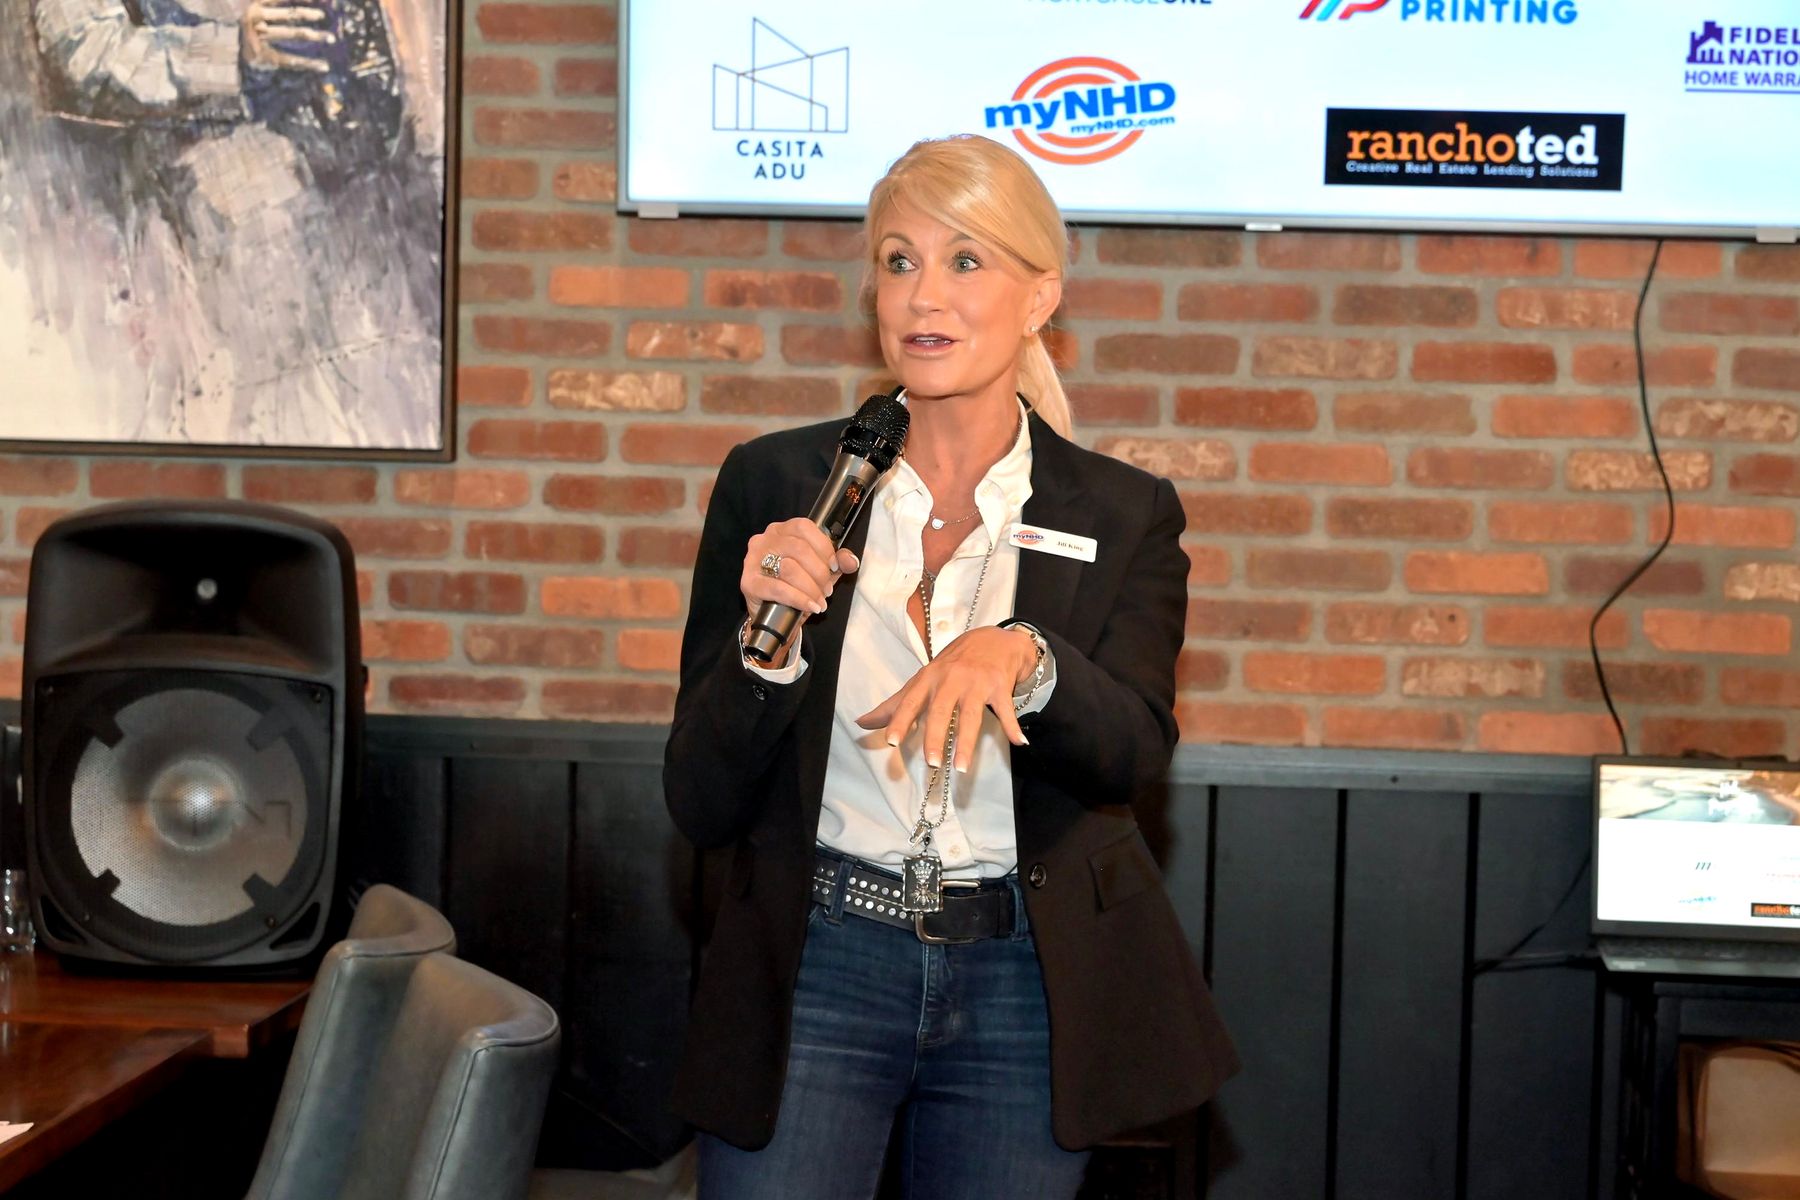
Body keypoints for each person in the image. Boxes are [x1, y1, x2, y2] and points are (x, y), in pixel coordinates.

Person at [664, 133, 1237, 1199]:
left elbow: (1131, 754)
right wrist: (767, 648)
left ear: (1039, 298)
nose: (924, 293)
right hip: (818, 961)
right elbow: (699, 799)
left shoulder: (1122, 512)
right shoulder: (779, 484)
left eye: (966, 260)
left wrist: (1027, 657)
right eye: (899, 261)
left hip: (1026, 979)